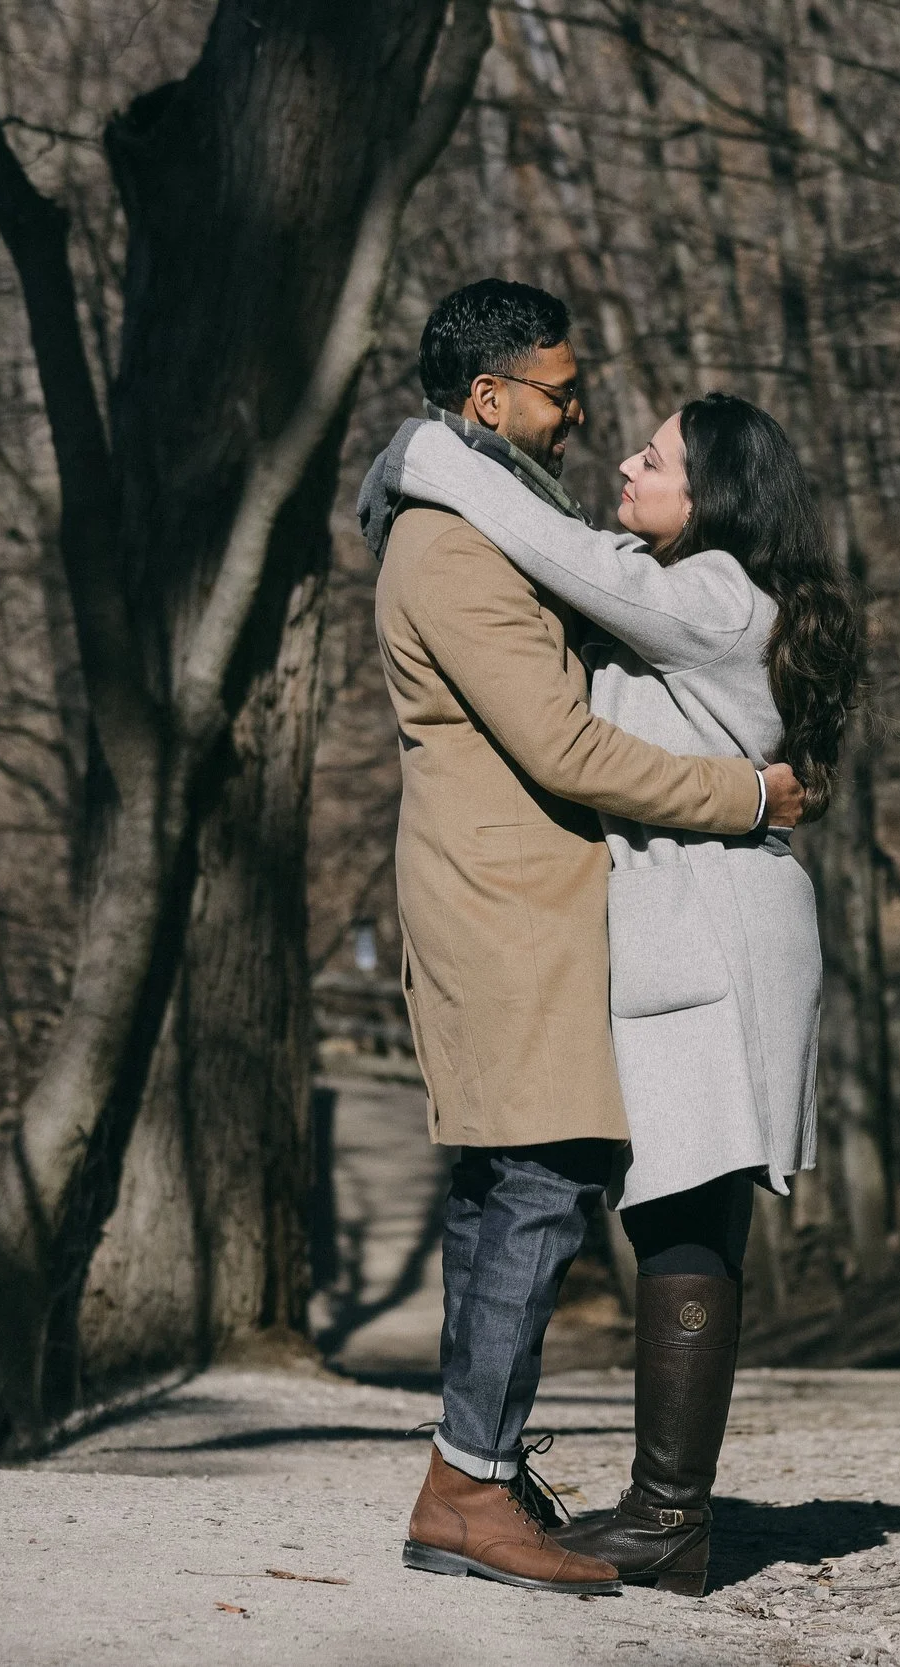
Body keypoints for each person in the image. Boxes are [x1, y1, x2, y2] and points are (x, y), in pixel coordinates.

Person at [370, 388, 863, 1595]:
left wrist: (424, 452)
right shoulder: (694, 595)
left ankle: (668, 1517)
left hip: (718, 927)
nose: (629, 465)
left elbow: (560, 550)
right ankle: (663, 1510)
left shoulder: (712, 590)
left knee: (689, 1217)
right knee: (671, 1216)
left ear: (716, 497)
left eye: (659, 457)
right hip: (698, 921)